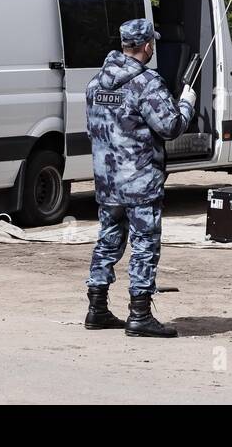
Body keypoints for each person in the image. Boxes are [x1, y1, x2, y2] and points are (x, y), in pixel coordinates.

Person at [83, 17, 196, 338]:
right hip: (141, 183)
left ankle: (97, 308)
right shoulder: (147, 84)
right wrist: (186, 103)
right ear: (147, 45)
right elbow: (170, 127)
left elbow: (93, 130)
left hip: (107, 182)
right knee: (145, 244)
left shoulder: (94, 85)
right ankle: (140, 314)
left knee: (107, 241)